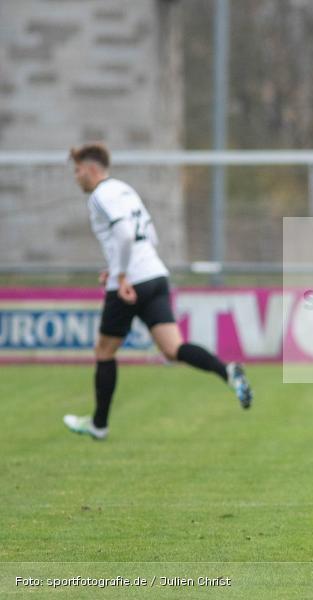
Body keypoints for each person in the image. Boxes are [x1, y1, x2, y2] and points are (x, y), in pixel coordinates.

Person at [62, 143, 253, 441]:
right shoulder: (126, 190)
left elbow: (125, 234)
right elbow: (150, 235)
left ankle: (99, 425)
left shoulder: (100, 196)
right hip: (155, 274)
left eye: (77, 171)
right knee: (173, 349)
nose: (76, 177)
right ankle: (227, 371)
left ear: (91, 169)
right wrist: (117, 266)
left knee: (104, 351)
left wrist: (122, 274)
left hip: (131, 282)